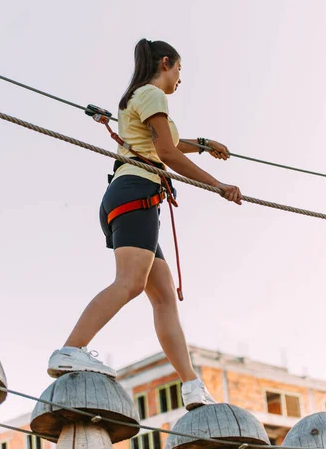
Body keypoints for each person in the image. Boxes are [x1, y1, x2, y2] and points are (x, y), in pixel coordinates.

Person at [47, 39, 242, 410]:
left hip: (132, 196)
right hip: (136, 191)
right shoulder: (153, 93)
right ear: (165, 63)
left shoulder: (140, 97)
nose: (180, 79)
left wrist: (201, 144)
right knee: (131, 282)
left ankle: (191, 386)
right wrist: (217, 185)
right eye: (179, 70)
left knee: (164, 294)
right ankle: (70, 350)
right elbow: (165, 152)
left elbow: (163, 142)